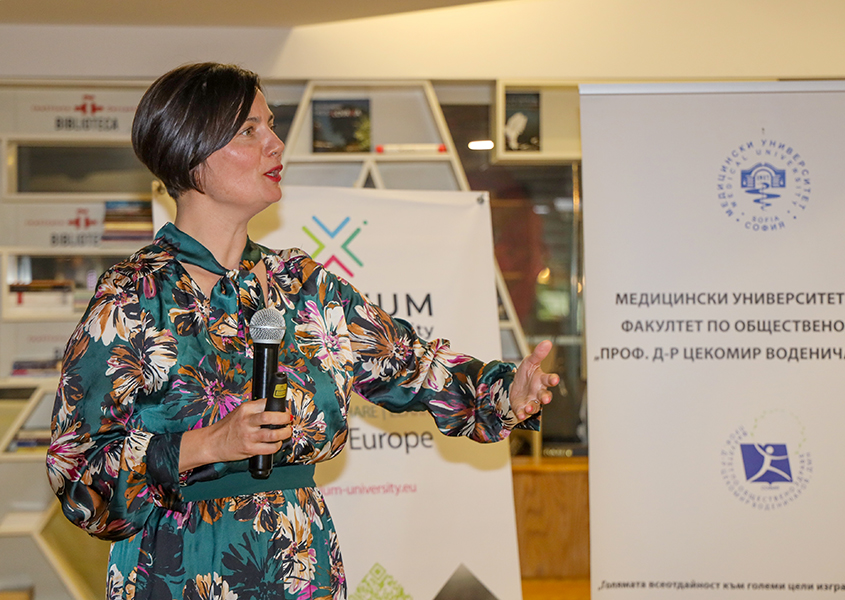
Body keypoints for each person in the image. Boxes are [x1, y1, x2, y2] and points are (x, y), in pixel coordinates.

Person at [46, 62, 558, 600]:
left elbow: (413, 365)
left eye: (271, 125)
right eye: (250, 130)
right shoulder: (133, 297)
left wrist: (507, 390)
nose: (275, 143)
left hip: (300, 566)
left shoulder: (303, 286)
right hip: (178, 571)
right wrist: (205, 445)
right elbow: (78, 475)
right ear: (192, 154)